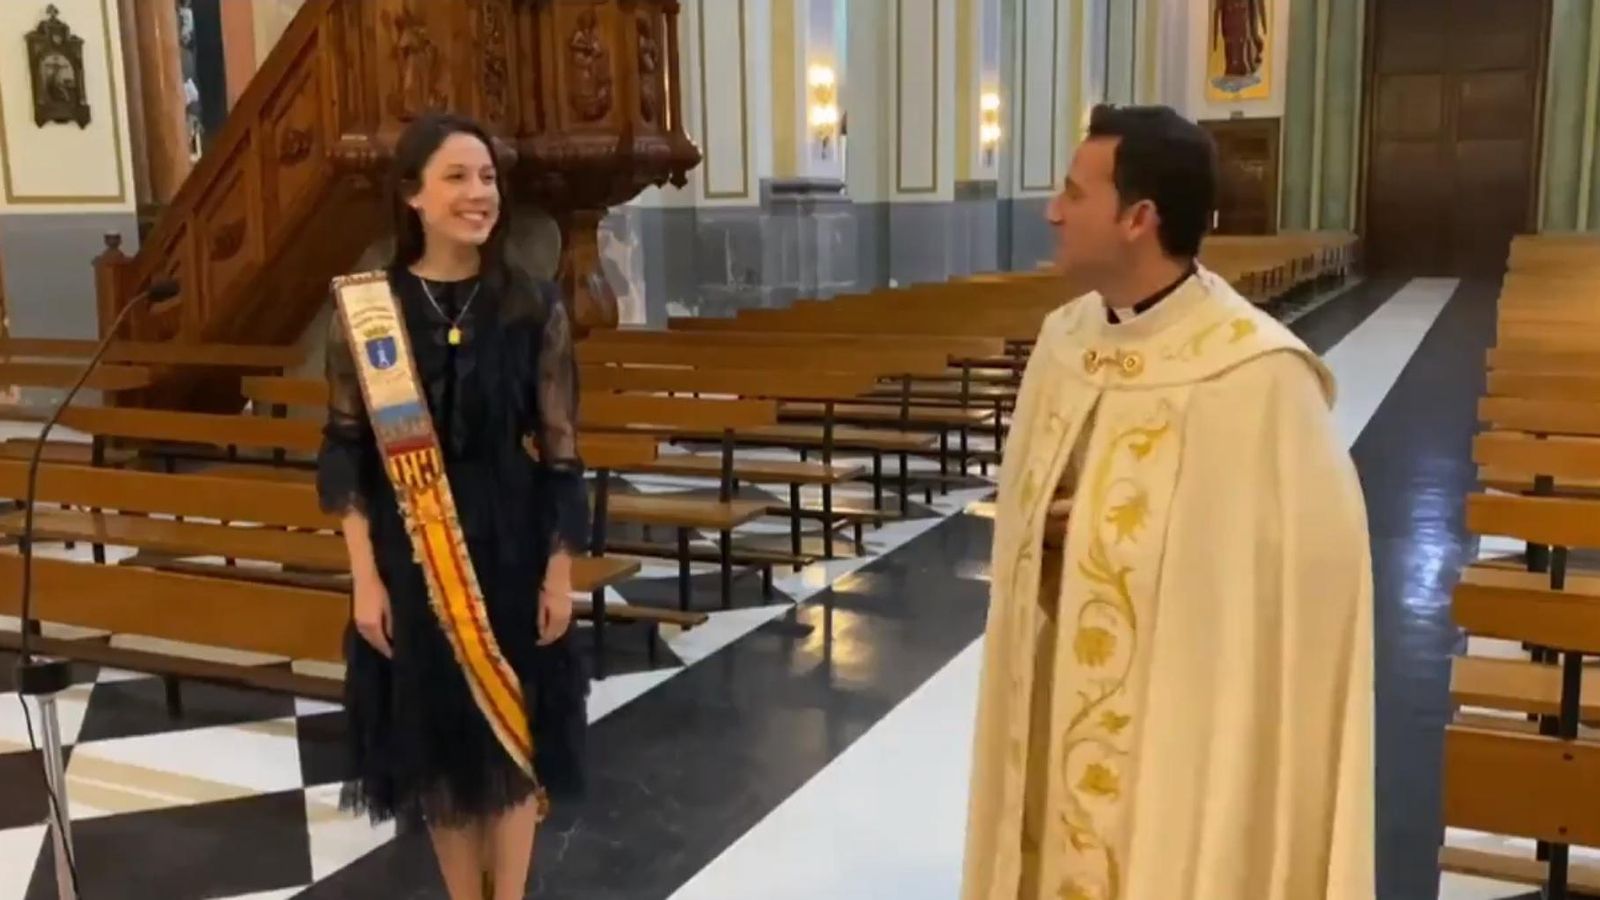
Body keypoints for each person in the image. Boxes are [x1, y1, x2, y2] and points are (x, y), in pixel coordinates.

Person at [960, 104, 1374, 899]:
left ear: (1138, 219)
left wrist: (1127, 548)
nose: (1052, 210)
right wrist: (1039, 537)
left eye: (1074, 193)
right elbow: (1023, 510)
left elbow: (1315, 583)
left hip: (1183, 730)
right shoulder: (1064, 343)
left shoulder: (1256, 375)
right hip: (1056, 702)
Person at [316, 111, 589, 900]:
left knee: (511, 741)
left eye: (488, 178)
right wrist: (364, 579)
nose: (480, 194)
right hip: (412, 551)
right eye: (458, 178)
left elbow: (564, 451)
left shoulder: (533, 306)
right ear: (413, 196)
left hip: (511, 540)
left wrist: (560, 570)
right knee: (441, 740)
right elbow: (347, 454)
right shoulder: (370, 312)